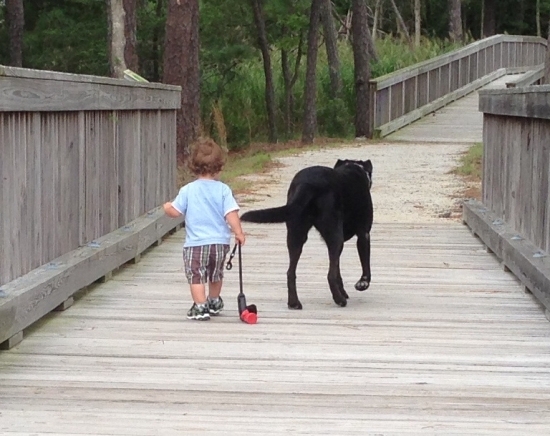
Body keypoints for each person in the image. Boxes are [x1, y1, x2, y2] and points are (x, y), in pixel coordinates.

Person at [163, 137, 246, 321]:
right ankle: (214, 301)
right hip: (219, 243)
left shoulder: (188, 190)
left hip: (196, 244)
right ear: (219, 166)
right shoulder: (223, 190)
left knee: (197, 275)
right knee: (215, 274)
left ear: (193, 165)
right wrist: (238, 232)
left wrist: (167, 207)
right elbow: (231, 213)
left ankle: (200, 306)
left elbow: (175, 212)